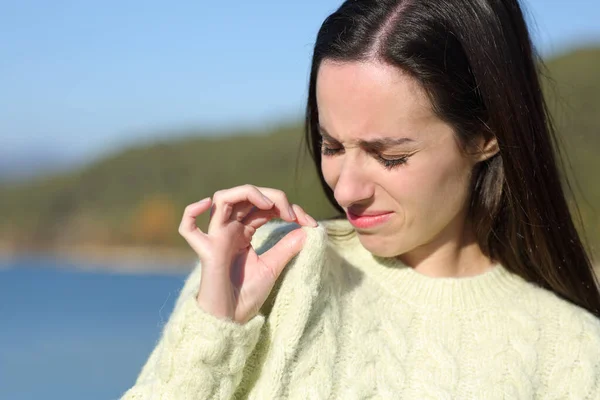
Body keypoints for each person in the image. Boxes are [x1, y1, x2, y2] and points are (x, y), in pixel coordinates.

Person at [121, 0, 600, 398]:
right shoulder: (265, 268)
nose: (345, 190)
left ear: (485, 137)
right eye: (331, 145)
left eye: (389, 155)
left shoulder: (575, 355)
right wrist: (215, 326)